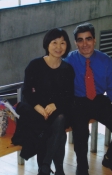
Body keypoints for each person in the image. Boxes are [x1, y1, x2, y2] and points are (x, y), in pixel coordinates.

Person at [64, 23, 112, 175]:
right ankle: (82, 168)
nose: (85, 44)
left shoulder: (105, 60)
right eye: (80, 40)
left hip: (99, 100)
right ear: (76, 43)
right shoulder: (69, 61)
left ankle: (111, 159)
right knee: (81, 133)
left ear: (94, 40)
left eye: (88, 39)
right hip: (77, 102)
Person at [22, 28, 75, 175]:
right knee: (59, 131)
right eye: (54, 42)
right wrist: (39, 107)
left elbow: (69, 95)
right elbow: (27, 91)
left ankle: (44, 166)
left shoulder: (67, 69)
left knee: (60, 118)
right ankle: (59, 170)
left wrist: (55, 105)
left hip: (60, 109)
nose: (59, 47)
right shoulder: (35, 65)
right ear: (47, 44)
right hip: (37, 111)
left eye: (62, 43)